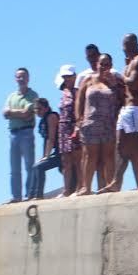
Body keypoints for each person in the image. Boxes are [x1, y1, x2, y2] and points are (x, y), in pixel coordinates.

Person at [100, 34, 138, 193]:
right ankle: (116, 182)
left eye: (127, 45)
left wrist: (118, 76)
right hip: (126, 110)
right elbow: (125, 87)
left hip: (136, 108)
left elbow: (134, 84)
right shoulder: (129, 64)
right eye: (124, 45)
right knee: (121, 147)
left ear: (135, 44)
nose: (124, 48)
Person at [75, 55, 120, 195]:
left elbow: (121, 99)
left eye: (107, 64)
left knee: (109, 155)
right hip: (90, 122)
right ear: (97, 64)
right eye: (102, 64)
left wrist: (114, 85)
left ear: (111, 65)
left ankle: (110, 185)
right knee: (90, 155)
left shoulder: (114, 81)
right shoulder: (88, 79)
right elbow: (79, 99)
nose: (104, 67)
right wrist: (78, 119)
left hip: (108, 122)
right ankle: (86, 187)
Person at [3, 67, 38, 204]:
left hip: (26, 132)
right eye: (18, 76)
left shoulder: (33, 95)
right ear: (15, 79)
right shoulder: (11, 96)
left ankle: (29, 194)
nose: (21, 79)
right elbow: (4, 113)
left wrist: (12, 112)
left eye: (23, 76)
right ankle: (16, 196)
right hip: (13, 133)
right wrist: (18, 113)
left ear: (28, 78)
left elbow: (27, 114)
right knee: (14, 168)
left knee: (29, 166)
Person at [57, 53, 88, 197]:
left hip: (74, 126)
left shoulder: (77, 92)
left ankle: (80, 187)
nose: (66, 79)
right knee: (66, 161)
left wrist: (78, 126)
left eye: (69, 76)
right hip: (63, 128)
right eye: (64, 77)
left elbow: (80, 110)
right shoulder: (64, 92)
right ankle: (66, 189)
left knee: (77, 159)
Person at [27, 97, 61, 199]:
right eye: (35, 109)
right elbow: (46, 140)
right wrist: (44, 156)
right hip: (55, 152)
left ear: (46, 108)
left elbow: (51, 138)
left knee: (39, 167)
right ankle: (31, 196)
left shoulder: (51, 117)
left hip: (62, 152)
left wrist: (46, 156)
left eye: (39, 109)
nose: (37, 111)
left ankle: (38, 195)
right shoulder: (43, 120)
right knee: (36, 166)